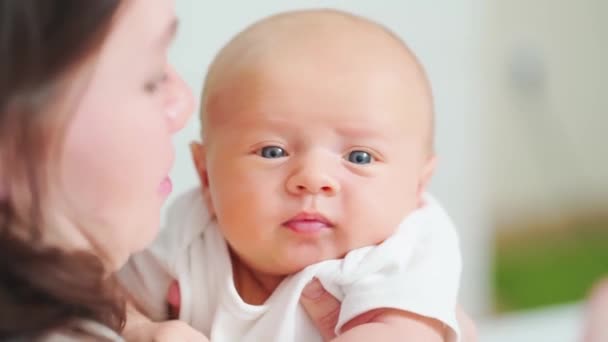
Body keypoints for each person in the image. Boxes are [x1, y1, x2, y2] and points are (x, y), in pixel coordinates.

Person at [0, 1, 351, 340]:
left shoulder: (392, 259)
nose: (183, 106)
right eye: (152, 79)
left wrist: (132, 323)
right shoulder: (191, 230)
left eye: (360, 158)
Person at [120, 9, 470, 342]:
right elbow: (101, 296)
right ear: (206, 175)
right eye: (273, 152)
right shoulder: (192, 231)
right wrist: (137, 327)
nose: (313, 178)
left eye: (360, 157)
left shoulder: (403, 250)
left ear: (418, 186)